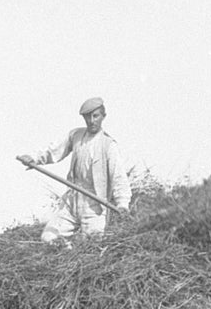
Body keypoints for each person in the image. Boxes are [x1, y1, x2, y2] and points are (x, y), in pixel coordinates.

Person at [17, 96, 132, 242]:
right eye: (87, 117)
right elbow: (54, 151)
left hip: (95, 204)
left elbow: (119, 177)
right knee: (48, 237)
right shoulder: (76, 135)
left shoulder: (108, 145)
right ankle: (66, 249)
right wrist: (33, 158)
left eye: (95, 116)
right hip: (72, 198)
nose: (91, 121)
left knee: (92, 244)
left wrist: (122, 204)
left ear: (103, 116)